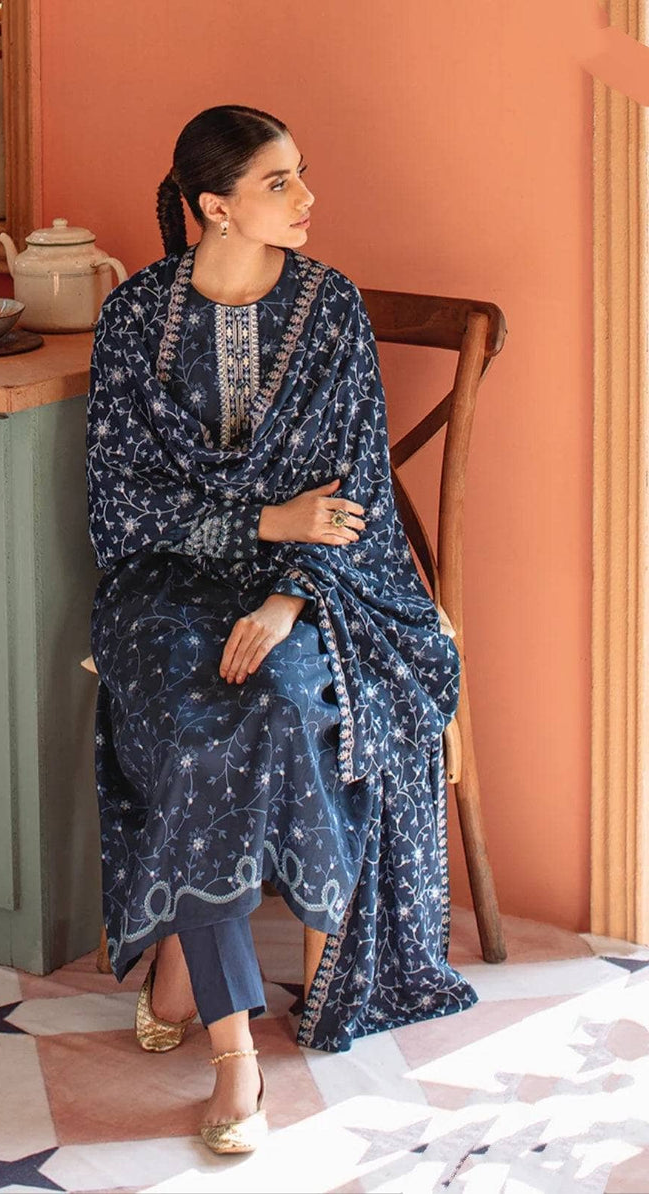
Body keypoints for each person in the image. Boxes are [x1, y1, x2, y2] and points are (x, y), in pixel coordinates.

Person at [86, 104, 479, 1155]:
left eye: (300, 175)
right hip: (163, 585)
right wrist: (262, 519)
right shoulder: (133, 317)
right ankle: (236, 1055)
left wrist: (283, 595)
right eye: (277, 183)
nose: (306, 199)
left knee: (275, 696)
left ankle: (185, 954)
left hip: (315, 587)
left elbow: (353, 495)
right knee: (193, 727)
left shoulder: (331, 308)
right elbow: (119, 506)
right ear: (214, 206)